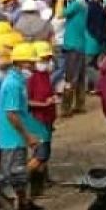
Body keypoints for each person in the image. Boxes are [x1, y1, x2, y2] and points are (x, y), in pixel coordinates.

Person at [0, 43, 48, 210]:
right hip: (13, 138)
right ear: (19, 63)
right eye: (29, 63)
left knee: (18, 174)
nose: (32, 67)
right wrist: (28, 137)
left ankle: (24, 203)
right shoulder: (12, 84)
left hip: (17, 136)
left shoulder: (18, 81)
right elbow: (11, 114)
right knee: (14, 174)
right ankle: (15, 208)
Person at [27, 42, 59, 197]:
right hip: (37, 120)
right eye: (45, 59)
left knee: (44, 154)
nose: (48, 62)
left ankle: (39, 186)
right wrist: (43, 103)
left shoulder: (45, 75)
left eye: (48, 58)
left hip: (47, 119)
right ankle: (20, 178)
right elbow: (26, 101)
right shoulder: (30, 78)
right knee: (41, 155)